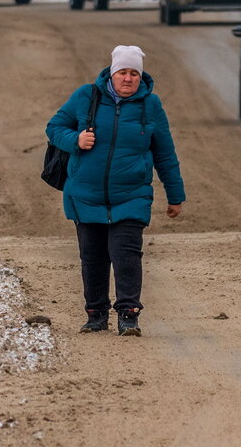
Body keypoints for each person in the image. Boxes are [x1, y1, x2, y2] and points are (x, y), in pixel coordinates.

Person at [46, 45, 185, 336]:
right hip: (85, 194)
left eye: (134, 73)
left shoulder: (151, 106)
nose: (128, 78)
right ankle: (95, 314)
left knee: (126, 255)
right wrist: (76, 139)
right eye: (123, 72)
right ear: (112, 73)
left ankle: (128, 314)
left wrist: (175, 196)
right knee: (93, 257)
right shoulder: (87, 96)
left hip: (131, 195)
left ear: (140, 76)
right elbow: (55, 127)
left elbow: (165, 154)